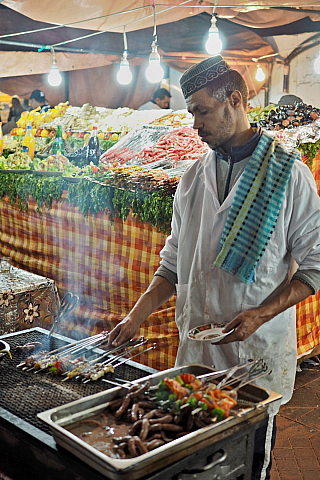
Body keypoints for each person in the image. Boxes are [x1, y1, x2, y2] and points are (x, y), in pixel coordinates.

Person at [109, 55, 320, 480]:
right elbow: (171, 263)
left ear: (235, 100)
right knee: (198, 463)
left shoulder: (290, 176)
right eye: (191, 113)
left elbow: (315, 265)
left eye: (202, 111)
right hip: (198, 355)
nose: (195, 124)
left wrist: (260, 314)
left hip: (255, 354)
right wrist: (136, 316)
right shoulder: (192, 179)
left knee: (247, 462)